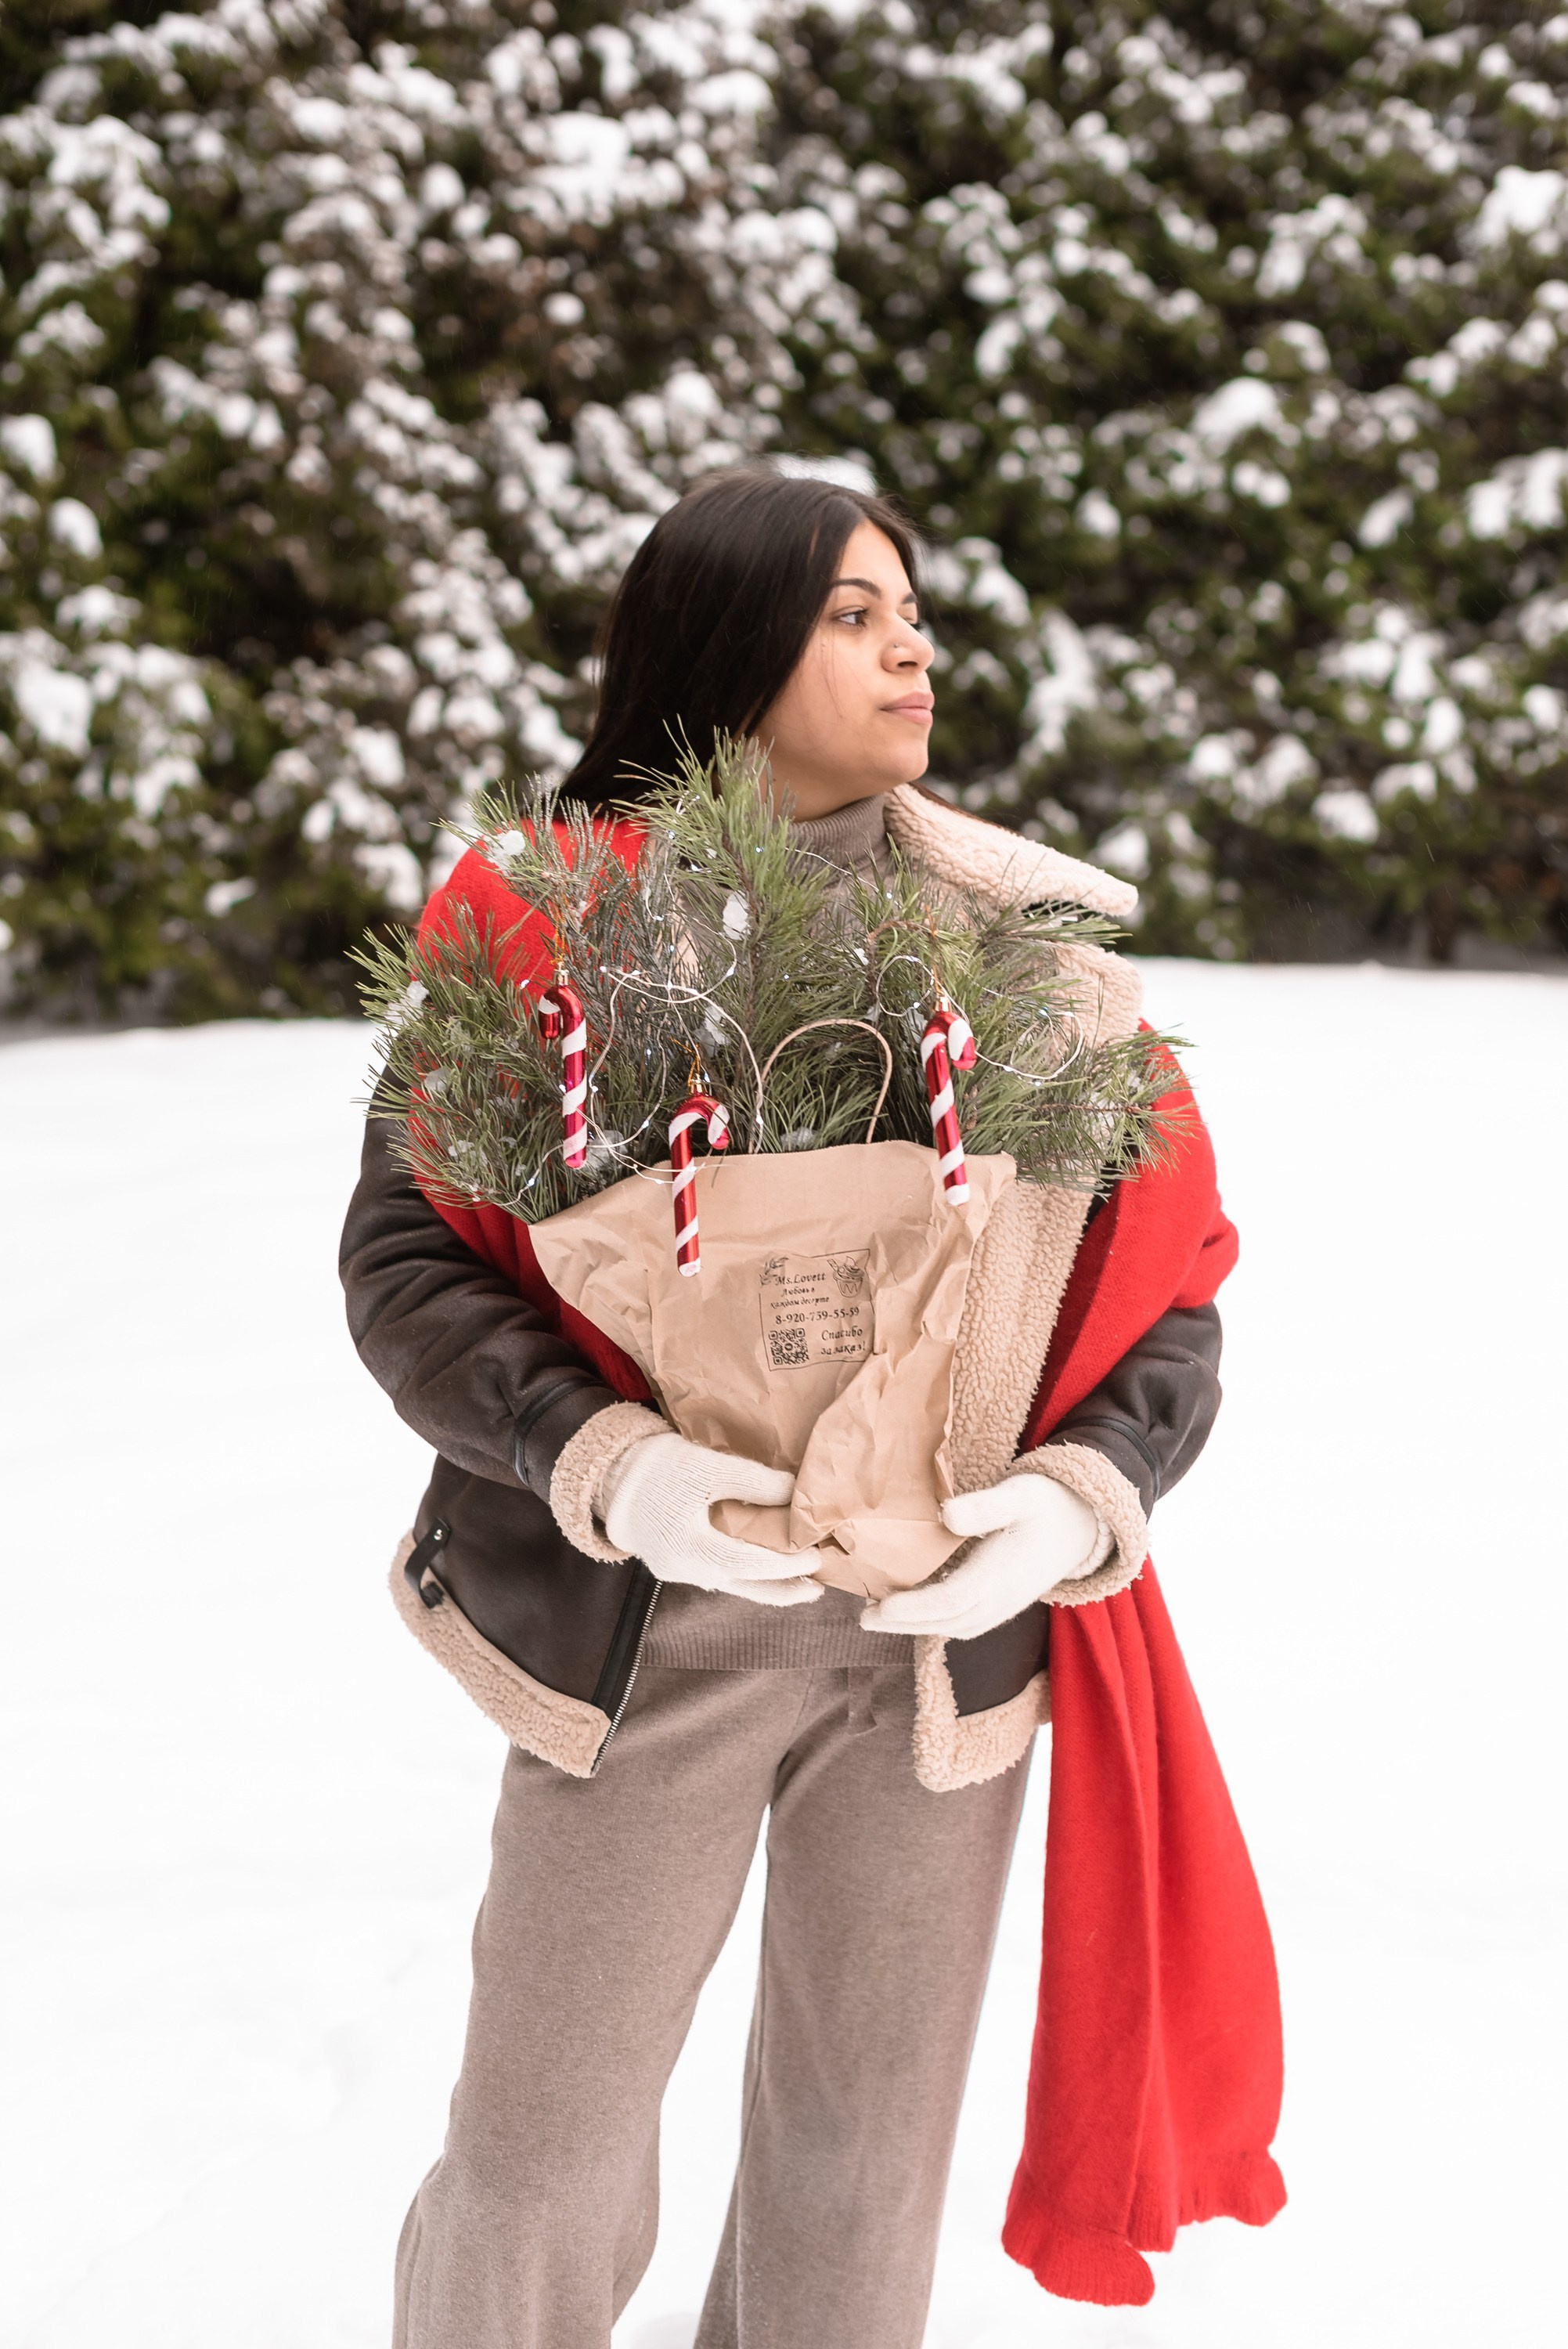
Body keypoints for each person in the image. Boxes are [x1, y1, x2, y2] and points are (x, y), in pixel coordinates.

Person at [341, 467, 1224, 2349]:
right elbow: (407, 1263)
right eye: (848, 611)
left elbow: (1164, 1297)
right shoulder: (540, 930)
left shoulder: (1028, 960)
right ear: (724, 647)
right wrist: (609, 1464)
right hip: (650, 1630)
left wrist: (1068, 1508)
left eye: (909, 604)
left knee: (858, 2171)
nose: (909, 642)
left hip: (934, 1652)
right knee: (543, 2166)